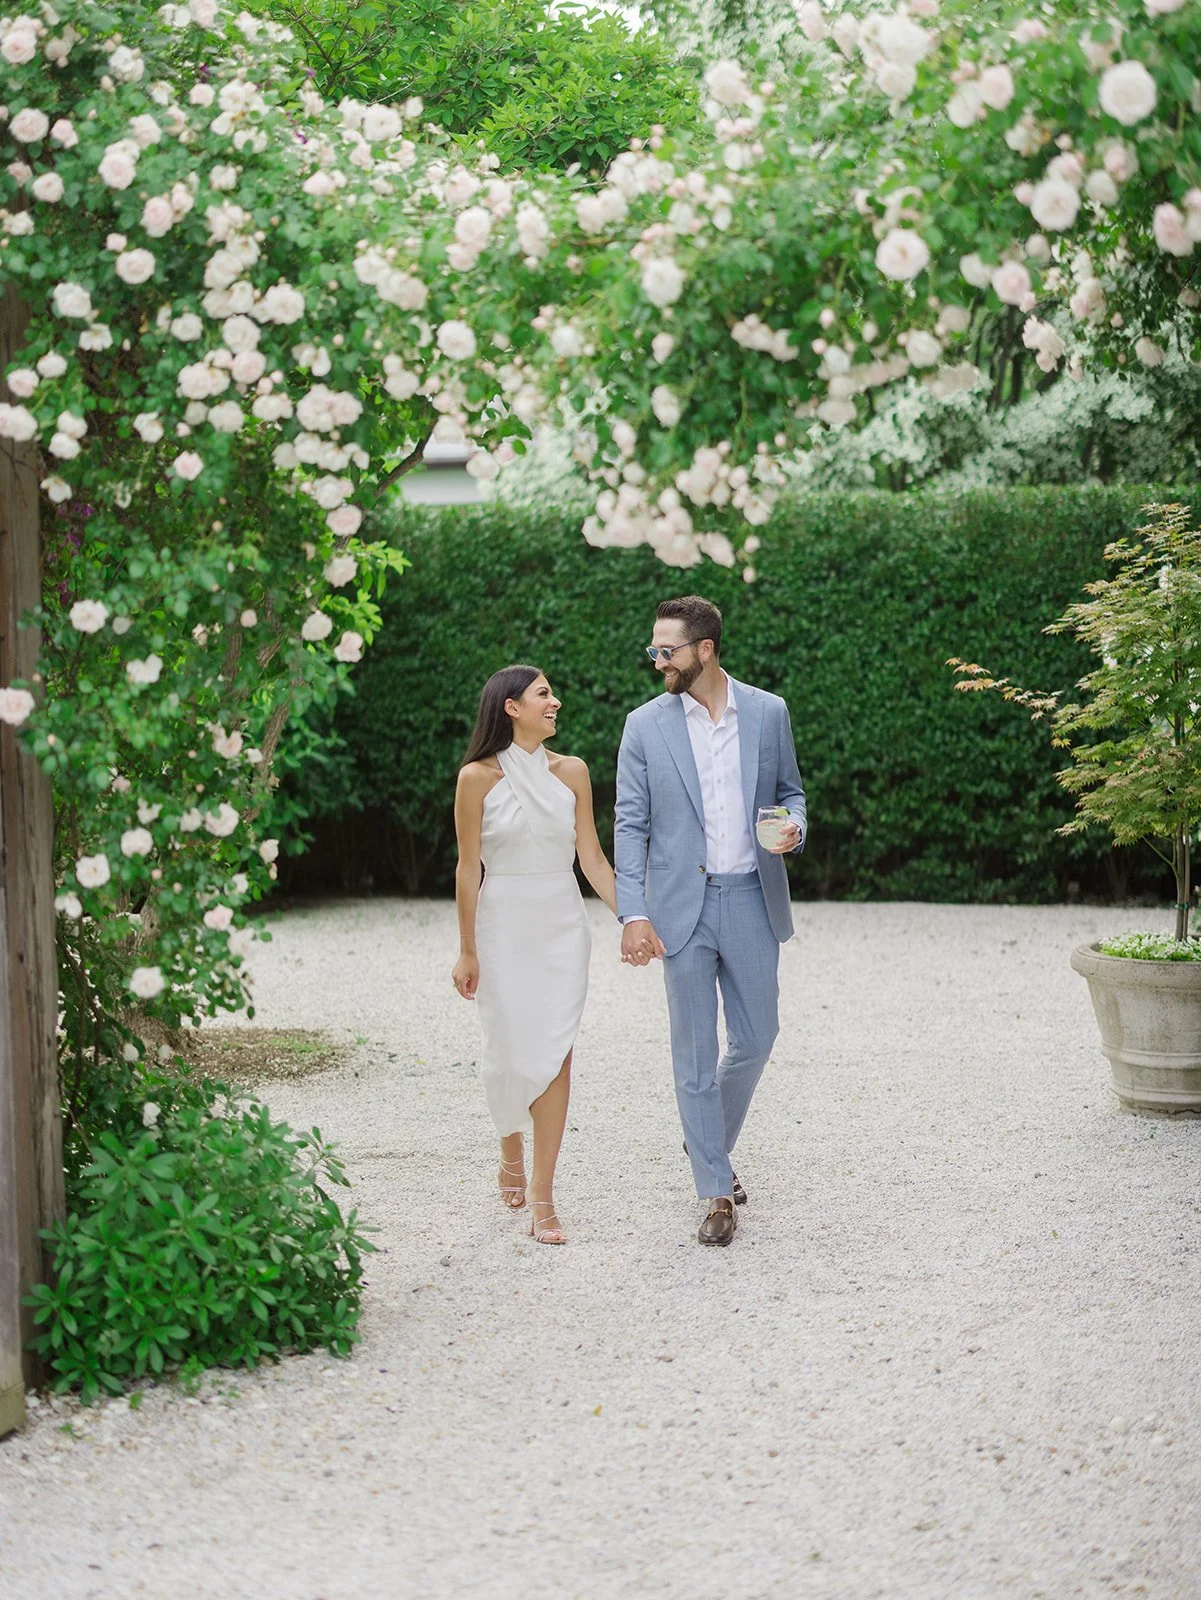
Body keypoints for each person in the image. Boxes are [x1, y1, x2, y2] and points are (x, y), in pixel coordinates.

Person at [614, 595, 806, 1247]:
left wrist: (794, 826)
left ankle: (707, 1151)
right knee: (693, 1054)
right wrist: (632, 911)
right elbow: (630, 822)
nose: (656, 660)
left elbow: (791, 793)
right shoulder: (644, 726)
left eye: (665, 650)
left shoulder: (767, 712)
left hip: (752, 895)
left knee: (755, 1037)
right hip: (678, 908)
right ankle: (715, 1192)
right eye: (653, 649)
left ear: (705, 650)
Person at [452, 664, 617, 1245]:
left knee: (553, 1052)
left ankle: (544, 1197)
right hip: (502, 925)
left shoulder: (572, 772)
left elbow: (593, 859)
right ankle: (508, 1147)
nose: (556, 702)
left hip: (560, 924)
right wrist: (467, 950)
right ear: (510, 708)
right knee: (506, 1052)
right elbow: (468, 866)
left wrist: (636, 916)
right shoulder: (475, 778)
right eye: (544, 694)